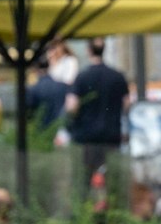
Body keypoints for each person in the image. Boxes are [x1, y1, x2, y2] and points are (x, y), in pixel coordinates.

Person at [69, 38, 131, 184]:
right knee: (113, 181)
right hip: (112, 136)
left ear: (88, 51)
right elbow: (127, 104)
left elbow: (72, 106)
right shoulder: (117, 76)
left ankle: (84, 206)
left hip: (86, 138)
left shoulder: (82, 77)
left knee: (84, 181)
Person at [24, 58, 72, 137]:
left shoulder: (33, 89)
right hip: (61, 133)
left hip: (41, 133)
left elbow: (28, 113)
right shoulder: (63, 87)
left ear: (35, 69)